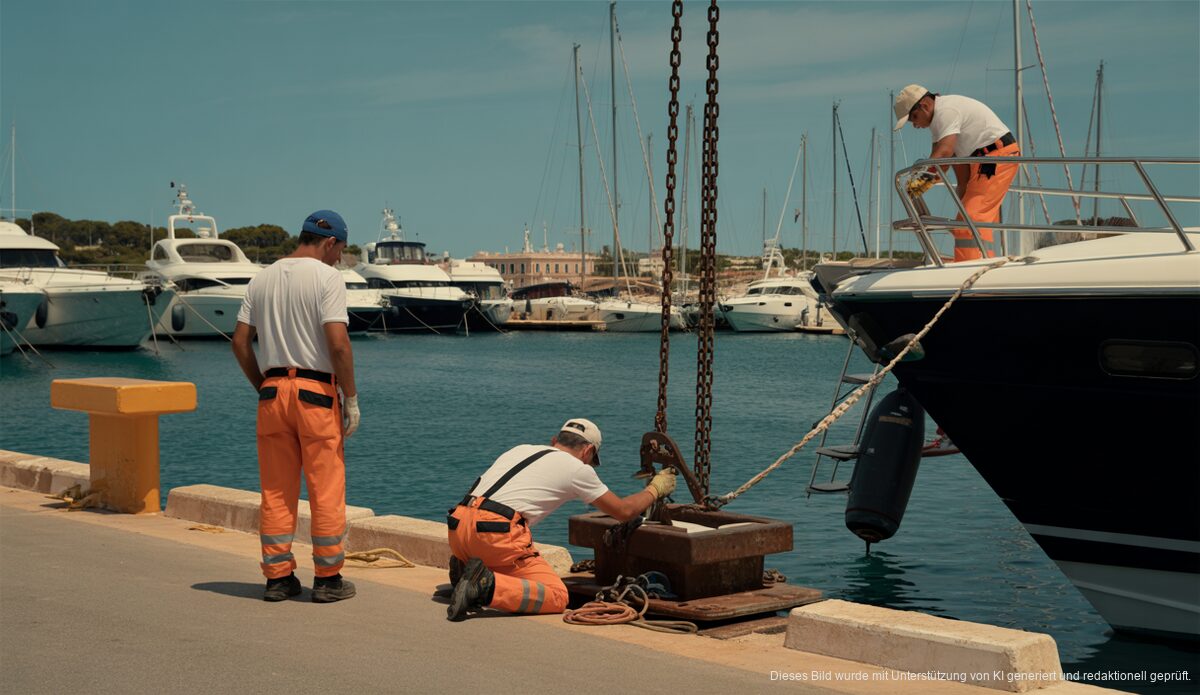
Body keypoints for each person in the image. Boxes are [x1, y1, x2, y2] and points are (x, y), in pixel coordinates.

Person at [232, 210, 361, 603]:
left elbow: (240, 342)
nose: (339, 258)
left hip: (272, 393)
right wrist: (351, 399)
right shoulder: (327, 278)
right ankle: (327, 579)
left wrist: (263, 386)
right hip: (315, 394)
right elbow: (338, 344)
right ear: (329, 242)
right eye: (339, 250)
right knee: (325, 487)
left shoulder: (261, 278)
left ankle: (277, 577)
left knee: (276, 489)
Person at [445, 418, 677, 621]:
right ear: (587, 451)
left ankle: (466, 568)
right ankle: (485, 586)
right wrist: (655, 489)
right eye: (592, 459)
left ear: (554, 440)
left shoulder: (520, 449)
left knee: (510, 568)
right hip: (495, 533)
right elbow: (624, 511)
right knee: (556, 595)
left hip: (458, 525)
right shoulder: (577, 469)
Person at [893, 84, 1021, 262]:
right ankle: (980, 261)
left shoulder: (946, 112)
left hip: (996, 157)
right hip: (983, 160)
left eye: (914, 118)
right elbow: (948, 165)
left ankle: (972, 265)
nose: (915, 125)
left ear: (924, 105)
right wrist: (959, 195)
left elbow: (943, 155)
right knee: (964, 220)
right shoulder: (940, 124)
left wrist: (918, 185)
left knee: (969, 220)